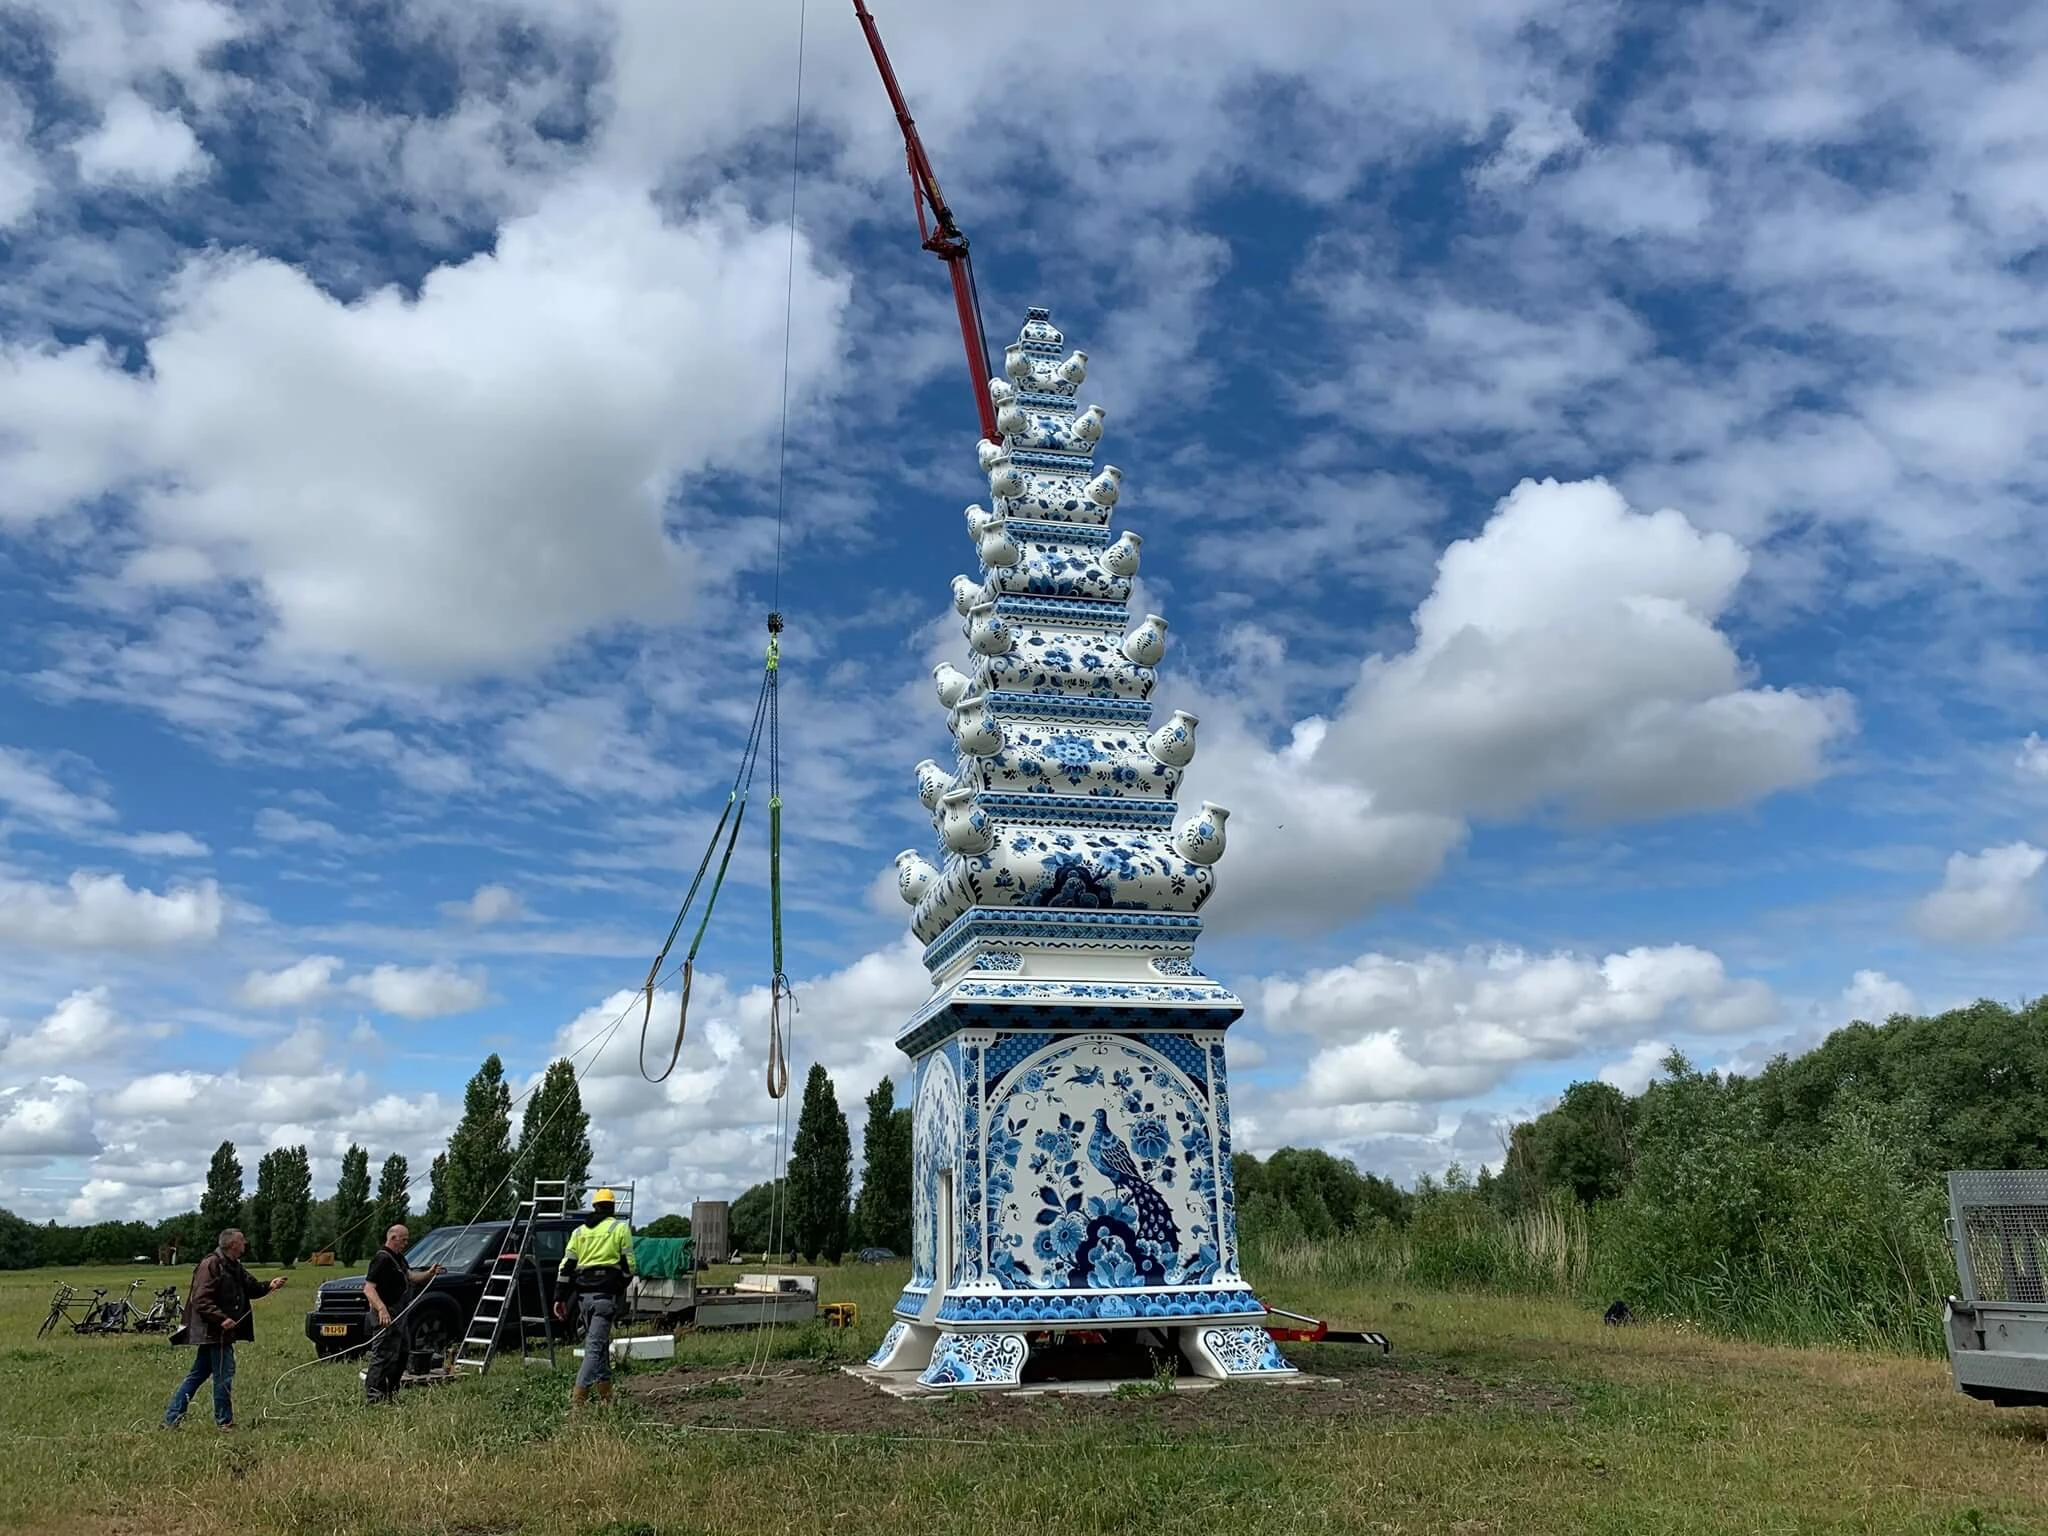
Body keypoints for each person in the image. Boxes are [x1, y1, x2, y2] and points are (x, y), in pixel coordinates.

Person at [162, 1228, 286, 1430]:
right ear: (232, 1244)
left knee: (197, 1375)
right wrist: (222, 1319)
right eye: (242, 1240)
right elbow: (200, 1299)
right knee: (223, 1376)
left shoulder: (234, 1265)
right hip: (214, 1333)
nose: (245, 1243)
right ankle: (224, 1422)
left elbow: (252, 1287)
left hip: (219, 1333)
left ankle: (171, 1419)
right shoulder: (211, 1264)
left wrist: (270, 1285)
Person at [554, 1187, 635, 1408]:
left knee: (599, 1347)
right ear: (612, 1208)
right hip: (604, 1297)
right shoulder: (619, 1228)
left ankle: (607, 1397)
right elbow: (630, 1266)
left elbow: (566, 1266)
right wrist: (620, 1285)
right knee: (594, 1348)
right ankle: (578, 1400)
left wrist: (559, 1298)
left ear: (595, 1206)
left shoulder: (579, 1232)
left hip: (583, 1298)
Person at [362, 1224, 444, 1404]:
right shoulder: (381, 1259)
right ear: (393, 1238)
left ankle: (391, 1393)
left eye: (407, 1239)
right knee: (383, 1355)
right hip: (386, 1314)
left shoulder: (399, 1258)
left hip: (400, 1314)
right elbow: (368, 1289)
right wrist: (382, 1309)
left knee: (401, 1354)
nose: (406, 1243)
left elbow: (411, 1277)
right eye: (404, 1239)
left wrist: (429, 1273)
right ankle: (374, 1397)